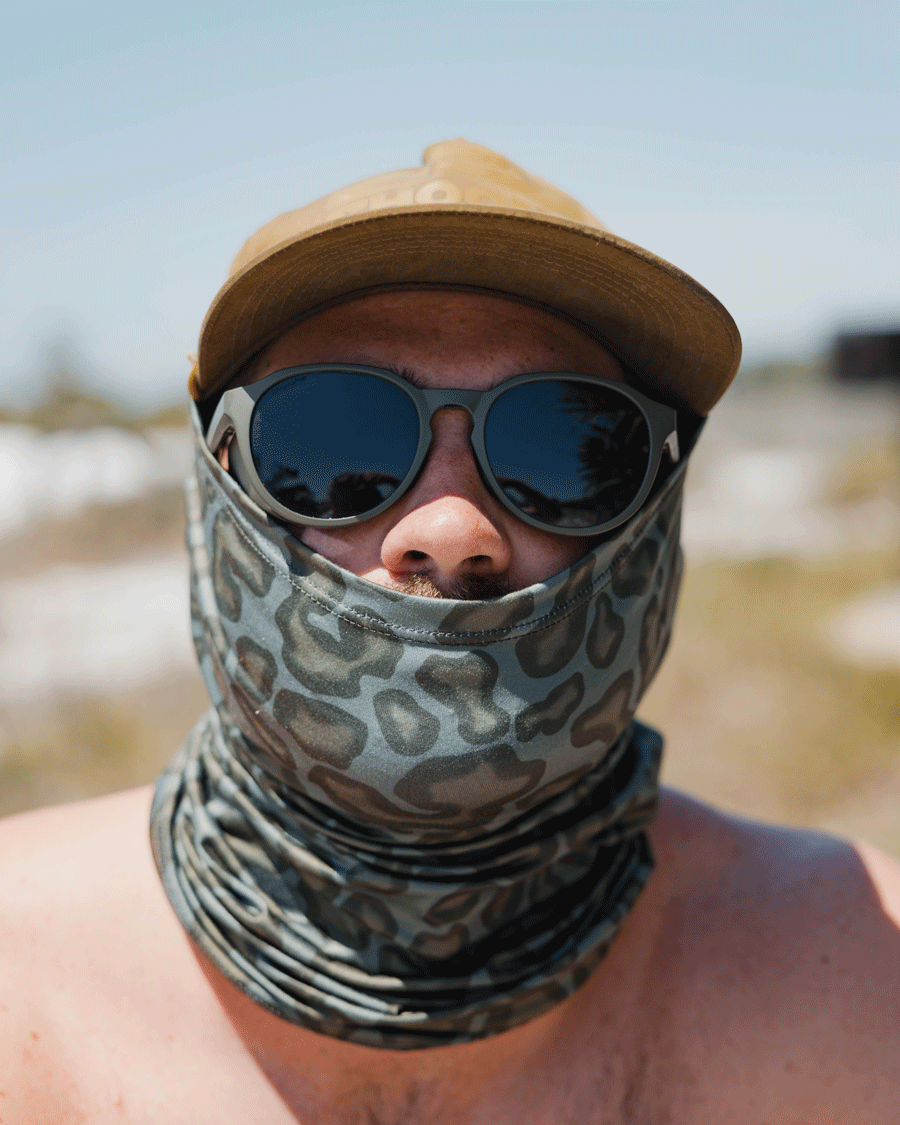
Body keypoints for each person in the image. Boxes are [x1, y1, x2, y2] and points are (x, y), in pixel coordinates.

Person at [1, 139, 898, 1124]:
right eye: (331, 440)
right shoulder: (18, 971)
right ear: (217, 489)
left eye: (565, 446)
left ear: (656, 516)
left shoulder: (866, 967)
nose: (452, 531)